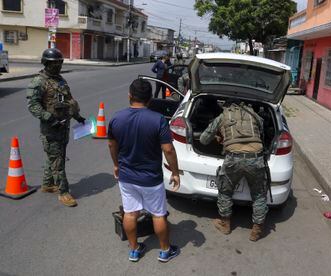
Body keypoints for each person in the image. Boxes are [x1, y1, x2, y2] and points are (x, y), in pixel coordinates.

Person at [108, 79, 181, 263]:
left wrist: (116, 165)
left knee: (130, 213)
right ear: (150, 99)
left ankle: (134, 250)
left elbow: (111, 144)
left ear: (129, 96)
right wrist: (175, 172)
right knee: (158, 214)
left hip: (126, 177)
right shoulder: (158, 120)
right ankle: (165, 251)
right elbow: (168, 150)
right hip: (151, 178)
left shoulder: (117, 118)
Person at [199, 101, 268, 241]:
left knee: (225, 191)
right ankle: (256, 230)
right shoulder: (255, 116)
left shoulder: (222, 116)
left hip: (233, 159)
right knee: (259, 195)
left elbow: (203, 140)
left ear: (227, 106)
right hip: (256, 159)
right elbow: (264, 133)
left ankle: (225, 225)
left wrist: (221, 137)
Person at [26, 48, 86, 207]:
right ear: (45, 63)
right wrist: (49, 118)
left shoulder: (60, 80)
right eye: (54, 63)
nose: (58, 66)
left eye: (60, 63)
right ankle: (64, 192)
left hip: (64, 127)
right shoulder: (39, 82)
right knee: (58, 161)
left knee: (54, 157)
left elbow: (69, 101)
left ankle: (47, 184)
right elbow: (33, 105)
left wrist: (77, 117)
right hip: (51, 128)